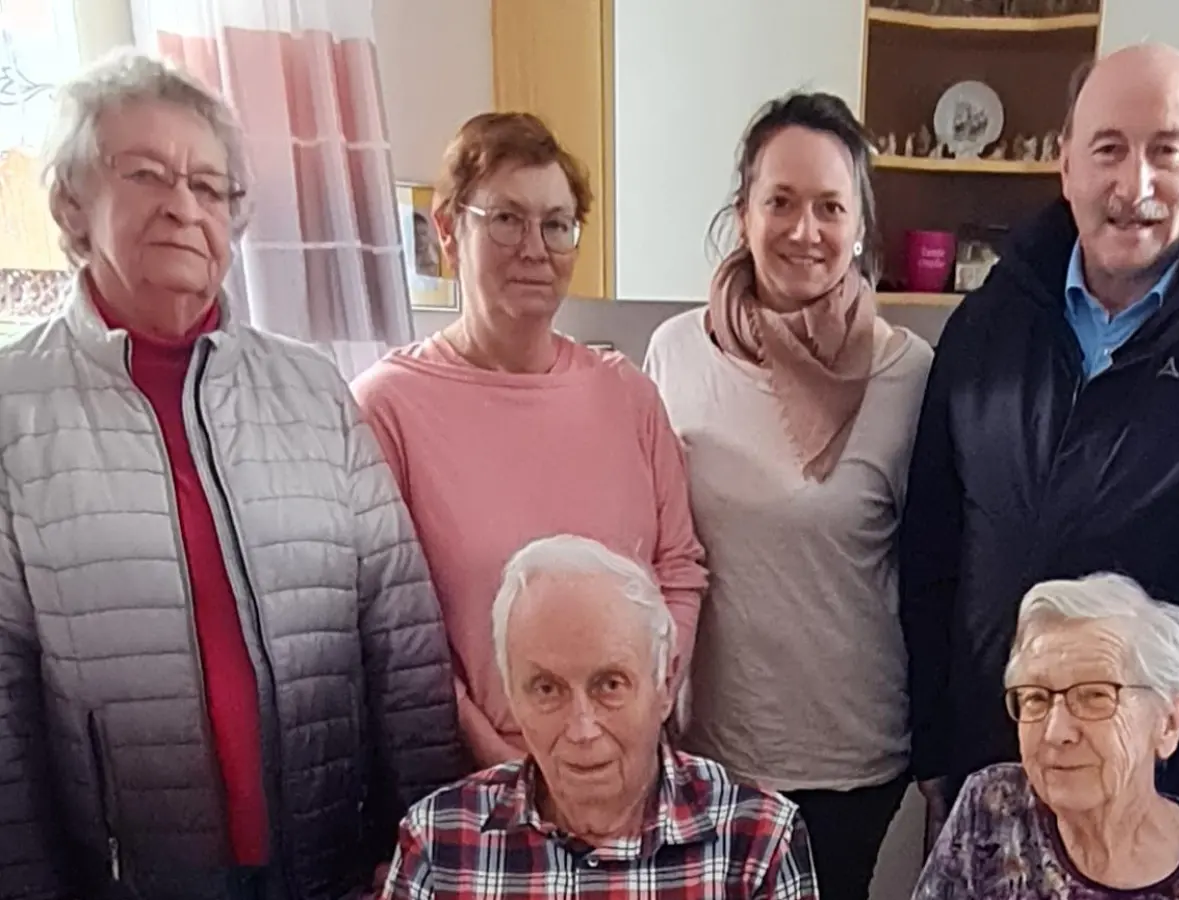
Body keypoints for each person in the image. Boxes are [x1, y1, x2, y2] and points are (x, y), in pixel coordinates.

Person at [0, 50, 461, 900]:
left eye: (209, 187)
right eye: (146, 174)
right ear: (71, 203)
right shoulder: (12, 408)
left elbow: (400, 633)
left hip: (330, 860)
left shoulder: (311, 385)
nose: (182, 206)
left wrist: (427, 843)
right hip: (124, 875)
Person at [898, 42, 1179, 828]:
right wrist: (933, 748)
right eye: (1109, 150)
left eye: (1167, 152)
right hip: (987, 778)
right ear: (1064, 166)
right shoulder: (984, 327)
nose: (1136, 185)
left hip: (1157, 802)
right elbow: (930, 549)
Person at [351, 112, 707, 770]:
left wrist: (645, 708)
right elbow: (391, 625)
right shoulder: (386, 406)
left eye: (556, 224)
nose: (534, 248)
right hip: (475, 777)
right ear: (449, 230)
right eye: (506, 219)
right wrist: (494, 755)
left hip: (628, 770)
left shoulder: (627, 396)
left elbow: (679, 571)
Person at [643, 91, 931, 900]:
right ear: (742, 212)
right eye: (780, 201)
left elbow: (935, 566)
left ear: (860, 227)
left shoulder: (907, 374)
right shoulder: (674, 353)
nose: (805, 230)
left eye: (830, 207)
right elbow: (654, 545)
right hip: (713, 749)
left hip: (851, 757)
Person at [380, 534, 819, 899]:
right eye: (547, 689)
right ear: (511, 695)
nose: (582, 729)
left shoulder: (758, 840)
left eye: (609, 685)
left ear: (665, 686)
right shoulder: (438, 843)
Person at [915, 574, 1179, 898]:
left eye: (1095, 696)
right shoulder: (994, 808)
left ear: (1169, 722)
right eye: (1035, 698)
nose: (1056, 731)